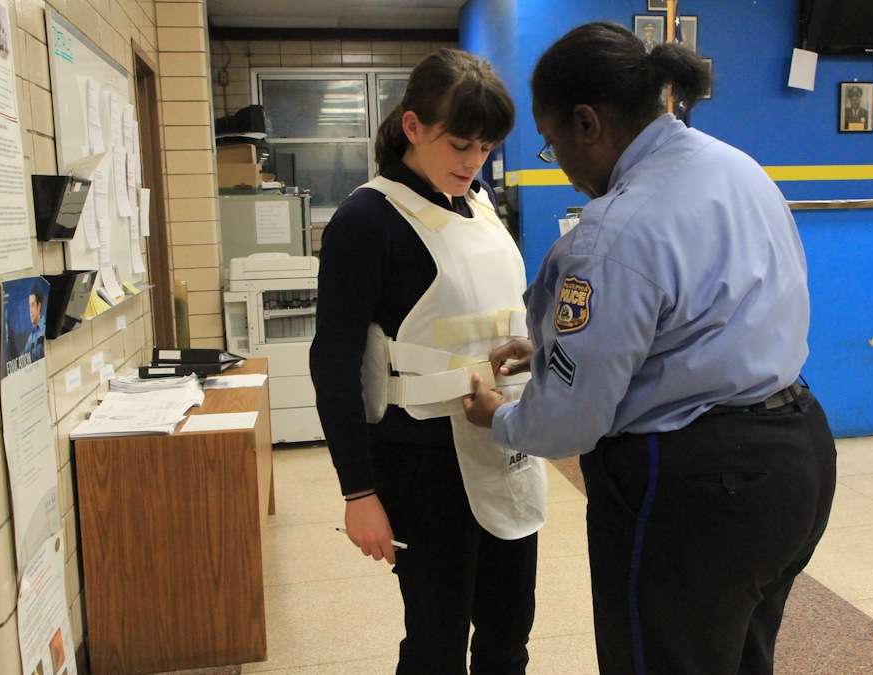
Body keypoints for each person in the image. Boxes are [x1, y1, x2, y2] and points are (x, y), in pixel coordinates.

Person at [463, 22, 837, 675]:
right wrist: (548, 345)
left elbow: (568, 421)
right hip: (797, 458)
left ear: (588, 122)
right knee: (741, 656)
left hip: (694, 488)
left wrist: (497, 415)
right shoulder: (737, 167)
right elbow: (698, 316)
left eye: (552, 145)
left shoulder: (613, 230)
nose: (566, 169)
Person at [310, 48, 544, 675]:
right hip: (420, 463)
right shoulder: (367, 218)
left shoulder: (482, 206)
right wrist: (358, 490)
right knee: (436, 643)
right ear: (412, 127)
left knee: (508, 632)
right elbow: (333, 360)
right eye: (460, 144)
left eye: (487, 147)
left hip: (505, 443)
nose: (473, 162)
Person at [24, 290, 45, 361]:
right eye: (29, 306)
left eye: (32, 305)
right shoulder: (32, 334)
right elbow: (24, 356)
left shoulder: (44, 329)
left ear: (39, 306)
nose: (30, 310)